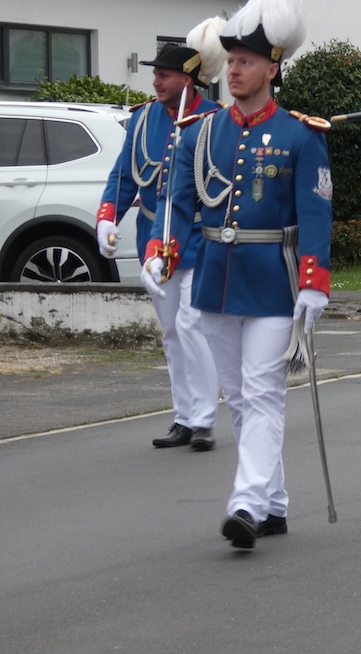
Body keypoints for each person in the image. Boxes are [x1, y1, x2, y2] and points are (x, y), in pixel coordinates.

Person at [145, 0, 333, 548]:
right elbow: (176, 203)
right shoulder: (201, 134)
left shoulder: (299, 137)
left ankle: (246, 505)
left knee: (263, 391)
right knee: (240, 397)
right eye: (230, 62)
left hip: (274, 285)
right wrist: (163, 250)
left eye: (246, 62)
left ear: (272, 68)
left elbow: (316, 214)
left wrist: (313, 283)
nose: (233, 71)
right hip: (216, 286)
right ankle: (273, 503)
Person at [97, 28, 223, 451]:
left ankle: (205, 419)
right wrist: (106, 218)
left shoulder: (214, 121)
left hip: (199, 240)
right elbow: (124, 176)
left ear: (188, 80)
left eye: (165, 75)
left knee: (192, 327)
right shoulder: (143, 117)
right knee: (171, 331)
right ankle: (184, 417)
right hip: (155, 238)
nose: (156, 81)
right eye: (156, 74)